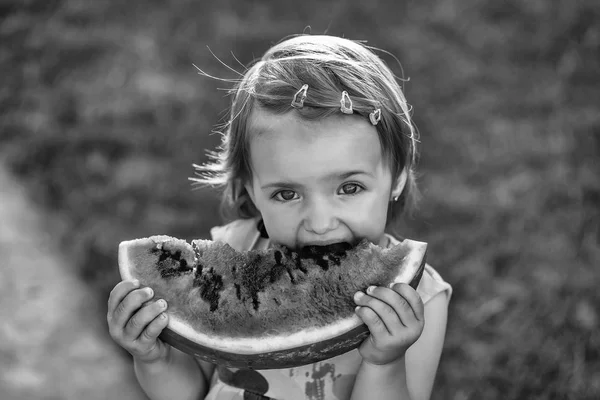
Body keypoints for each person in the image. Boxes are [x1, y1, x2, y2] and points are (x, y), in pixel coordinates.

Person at [107, 34, 452, 400]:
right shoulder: (235, 245)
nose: (320, 222)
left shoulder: (419, 299)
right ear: (250, 190)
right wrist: (154, 359)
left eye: (349, 188)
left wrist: (385, 363)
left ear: (397, 176)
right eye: (287, 194)